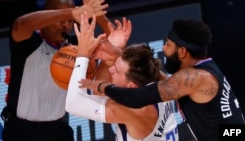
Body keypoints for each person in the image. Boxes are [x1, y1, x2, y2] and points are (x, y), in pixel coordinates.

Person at [79, 18, 245, 141]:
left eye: (168, 45)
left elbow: (137, 98)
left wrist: (101, 86)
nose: (163, 49)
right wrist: (118, 55)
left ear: (182, 52)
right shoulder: (204, 69)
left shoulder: (194, 77)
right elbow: (162, 80)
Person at [0, 0, 109, 140]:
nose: (65, 25)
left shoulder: (77, 47)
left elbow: (114, 43)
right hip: (22, 131)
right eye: (60, 20)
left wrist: (99, 16)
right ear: (48, 14)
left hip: (58, 130)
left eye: (70, 21)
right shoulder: (28, 44)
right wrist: (70, 12)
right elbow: (20, 24)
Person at [65, 12, 179, 141]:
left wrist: (83, 53)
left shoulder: (135, 109)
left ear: (132, 86)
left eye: (117, 70)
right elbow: (100, 93)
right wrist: (114, 53)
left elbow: (73, 103)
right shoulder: (161, 83)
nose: (111, 69)